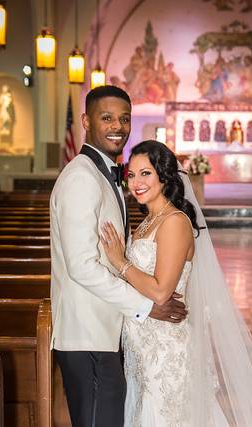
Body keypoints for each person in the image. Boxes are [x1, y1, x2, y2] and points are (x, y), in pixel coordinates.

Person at [100, 140, 252, 426]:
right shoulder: (146, 221)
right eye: (131, 174)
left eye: (146, 173)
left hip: (165, 348)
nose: (136, 182)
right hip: (140, 346)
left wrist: (120, 262)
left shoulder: (174, 222)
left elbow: (160, 290)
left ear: (164, 176)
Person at [49, 85, 187, 427]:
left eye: (124, 119)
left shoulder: (103, 175)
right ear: (85, 120)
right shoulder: (81, 178)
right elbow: (82, 266)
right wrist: (146, 306)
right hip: (88, 335)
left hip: (107, 333)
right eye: (107, 117)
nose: (118, 126)